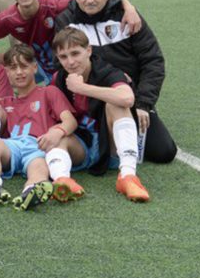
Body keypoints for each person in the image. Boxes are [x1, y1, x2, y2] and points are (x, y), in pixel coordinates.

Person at [55, 0, 176, 164]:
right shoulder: (66, 21)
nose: (89, 0)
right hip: (90, 98)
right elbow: (63, 62)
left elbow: (153, 61)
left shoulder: (128, 17)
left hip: (129, 97)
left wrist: (144, 103)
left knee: (164, 152)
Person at [0, 44, 84, 210]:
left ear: (34, 67)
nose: (19, 72)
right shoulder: (4, 102)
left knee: (38, 165)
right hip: (13, 146)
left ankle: (32, 190)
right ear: (6, 72)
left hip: (39, 145)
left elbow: (70, 121)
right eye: (13, 68)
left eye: (24, 66)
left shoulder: (49, 92)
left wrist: (57, 132)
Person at [0, 0, 141, 83]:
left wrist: (129, 7)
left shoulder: (54, 6)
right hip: (38, 68)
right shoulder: (6, 18)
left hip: (66, 65)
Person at [51, 27, 150, 202]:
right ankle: (62, 180)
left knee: (116, 104)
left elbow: (127, 98)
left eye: (75, 53)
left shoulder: (106, 71)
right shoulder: (59, 78)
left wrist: (82, 88)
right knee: (58, 136)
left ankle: (127, 176)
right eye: (63, 57)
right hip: (81, 147)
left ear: (88, 50)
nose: (70, 62)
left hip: (110, 144)